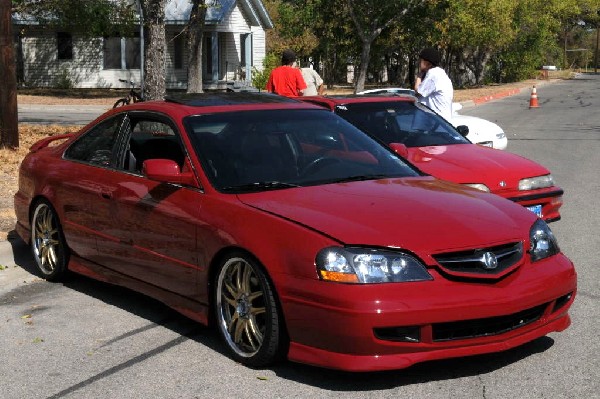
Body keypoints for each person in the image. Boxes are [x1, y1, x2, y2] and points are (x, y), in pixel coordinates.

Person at [413, 47, 453, 121]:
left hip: (438, 123)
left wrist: (419, 76)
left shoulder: (433, 74)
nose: (419, 63)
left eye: (421, 61)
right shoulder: (439, 73)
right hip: (440, 122)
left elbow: (418, 92)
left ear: (427, 63)